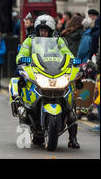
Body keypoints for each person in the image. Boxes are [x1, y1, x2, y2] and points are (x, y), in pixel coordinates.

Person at [15, 15, 79, 148]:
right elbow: (22, 54)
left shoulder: (58, 41)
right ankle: (25, 118)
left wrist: (73, 61)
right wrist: (21, 59)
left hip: (56, 73)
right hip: (39, 73)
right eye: (40, 30)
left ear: (51, 30)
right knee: (25, 98)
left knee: (71, 108)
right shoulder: (30, 40)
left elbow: (67, 53)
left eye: (45, 30)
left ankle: (73, 139)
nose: (42, 32)